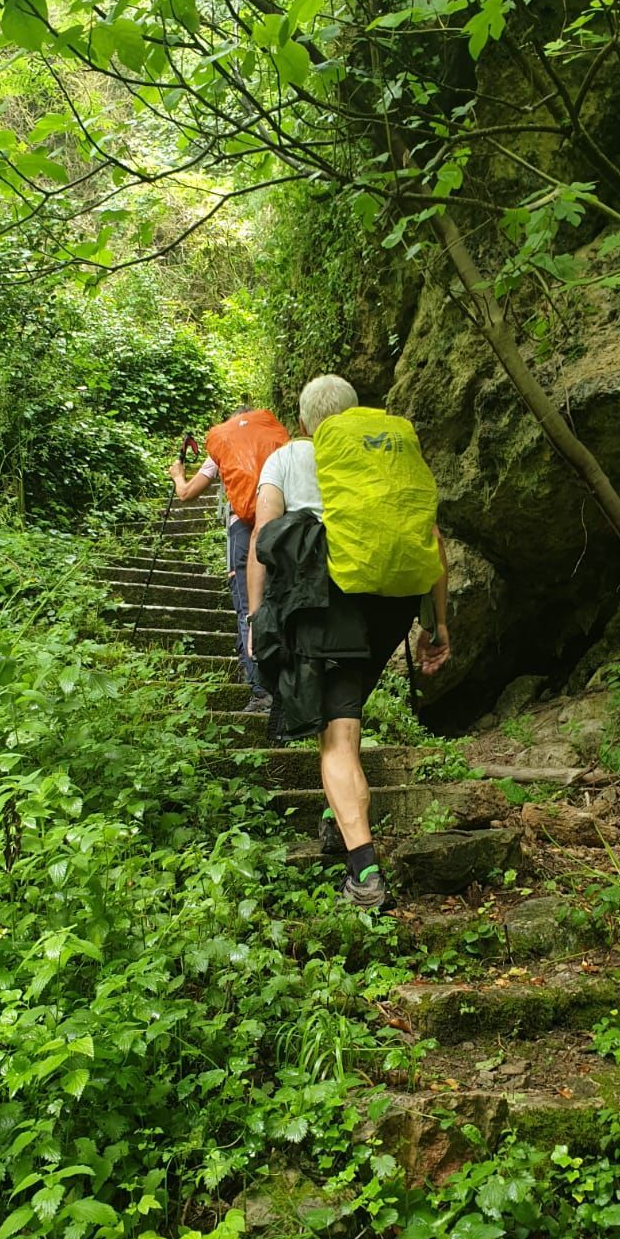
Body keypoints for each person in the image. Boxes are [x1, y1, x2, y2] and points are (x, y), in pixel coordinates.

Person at [246, 374, 450, 911]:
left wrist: (255, 617)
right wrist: (437, 623)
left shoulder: (289, 457)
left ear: (305, 421)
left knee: (336, 737)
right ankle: (339, 821)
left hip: (329, 601)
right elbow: (431, 538)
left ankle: (365, 875)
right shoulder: (386, 455)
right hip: (391, 604)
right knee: (347, 719)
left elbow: (262, 539)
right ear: (356, 413)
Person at [169, 405, 287, 714]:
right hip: (281, 528)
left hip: (243, 532)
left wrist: (178, 476)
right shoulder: (274, 440)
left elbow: (186, 494)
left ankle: (262, 693)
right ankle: (285, 689)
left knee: (248, 608)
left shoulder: (223, 444)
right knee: (278, 602)